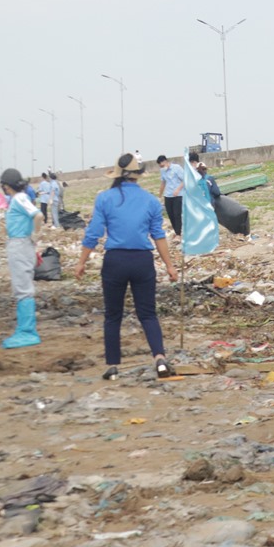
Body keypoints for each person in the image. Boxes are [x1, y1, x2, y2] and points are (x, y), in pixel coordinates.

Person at [75, 153, 179, 380]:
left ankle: (113, 367)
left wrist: (82, 261)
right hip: (143, 261)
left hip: (115, 261)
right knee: (148, 314)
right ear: (137, 175)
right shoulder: (150, 200)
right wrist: (170, 266)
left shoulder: (105, 198)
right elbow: (158, 236)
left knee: (113, 315)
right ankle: (160, 359)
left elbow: (93, 233)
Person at [0, 168, 42, 349]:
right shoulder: (19, 199)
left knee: (23, 287)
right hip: (20, 244)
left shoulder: (19, 198)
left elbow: (38, 215)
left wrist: (35, 235)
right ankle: (24, 329)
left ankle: (27, 332)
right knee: (21, 286)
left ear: (7, 186)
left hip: (20, 245)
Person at [157, 154, 184, 237]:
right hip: (168, 195)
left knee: (177, 214)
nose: (162, 167)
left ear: (166, 161)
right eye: (160, 166)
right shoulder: (162, 171)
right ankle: (176, 231)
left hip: (178, 195)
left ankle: (178, 233)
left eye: (162, 165)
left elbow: (185, 180)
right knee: (170, 214)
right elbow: (163, 182)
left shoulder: (177, 168)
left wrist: (178, 189)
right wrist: (160, 195)